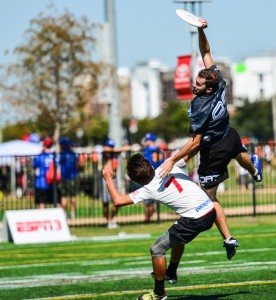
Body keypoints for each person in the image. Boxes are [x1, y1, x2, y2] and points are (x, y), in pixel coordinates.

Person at [159, 18, 263, 262]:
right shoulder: (217, 78)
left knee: (209, 198)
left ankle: (228, 238)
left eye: (197, 84)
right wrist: (199, 30)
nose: (193, 85)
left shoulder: (200, 106)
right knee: (239, 153)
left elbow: (195, 143)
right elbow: (205, 51)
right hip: (229, 135)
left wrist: (172, 160)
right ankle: (255, 171)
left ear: (207, 89)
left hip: (213, 150)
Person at [102, 153, 216, 300]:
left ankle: (159, 293)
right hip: (209, 210)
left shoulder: (148, 188)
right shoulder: (168, 164)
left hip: (196, 218)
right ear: (149, 164)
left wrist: (108, 178)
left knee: (157, 249)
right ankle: (171, 272)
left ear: (136, 180)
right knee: (176, 234)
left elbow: (118, 200)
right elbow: (190, 151)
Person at [32, 137, 61, 209]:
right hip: (53, 182)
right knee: (56, 201)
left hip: (41, 182)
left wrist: (41, 152)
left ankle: (42, 218)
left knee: (42, 202)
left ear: (44, 145)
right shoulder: (55, 156)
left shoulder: (41, 156)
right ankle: (59, 217)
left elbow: (34, 165)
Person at [142, 133, 165, 223]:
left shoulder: (147, 150)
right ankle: (149, 217)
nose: (147, 142)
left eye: (148, 140)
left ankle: (147, 218)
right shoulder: (159, 150)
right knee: (153, 200)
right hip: (158, 175)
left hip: (149, 176)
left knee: (147, 200)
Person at [99, 138, 119, 229]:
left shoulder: (115, 155)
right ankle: (108, 221)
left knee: (117, 201)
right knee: (105, 202)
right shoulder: (103, 154)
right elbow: (105, 150)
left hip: (114, 179)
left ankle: (113, 218)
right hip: (105, 180)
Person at [60, 137, 79, 219]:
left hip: (64, 177)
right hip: (73, 177)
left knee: (63, 196)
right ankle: (72, 214)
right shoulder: (73, 154)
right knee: (73, 196)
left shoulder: (62, 154)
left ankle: (64, 214)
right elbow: (77, 165)